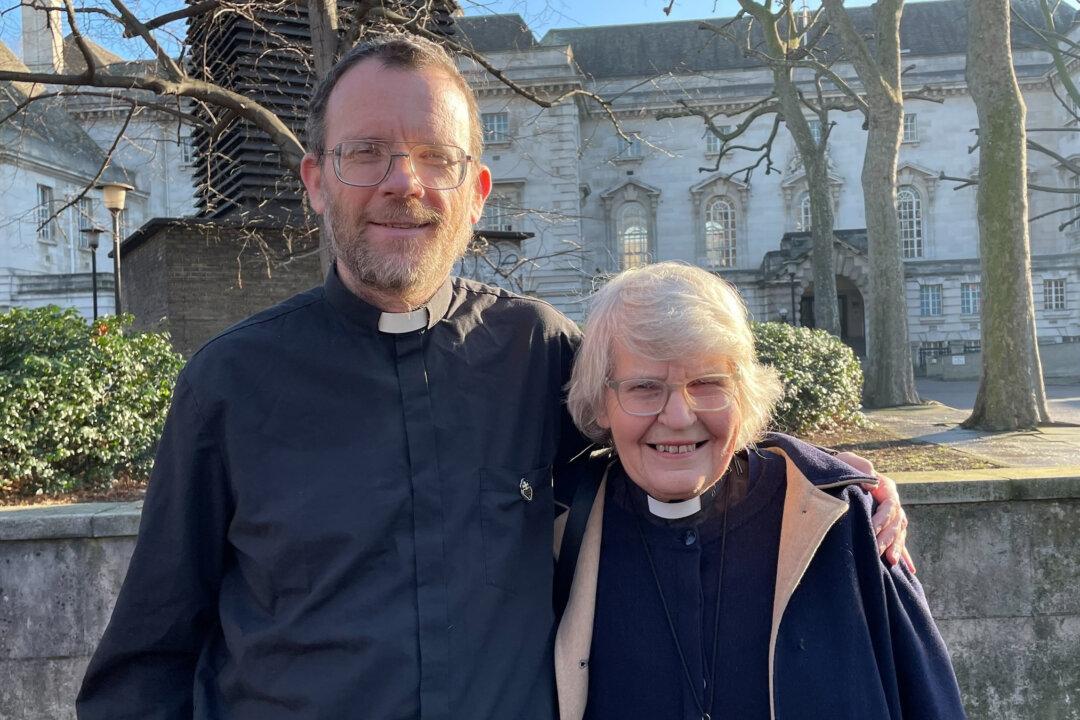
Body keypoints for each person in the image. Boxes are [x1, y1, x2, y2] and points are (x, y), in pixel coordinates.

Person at [77, 36, 911, 720]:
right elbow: (145, 664)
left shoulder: (537, 348)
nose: (403, 182)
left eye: (434, 157)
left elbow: (670, 416)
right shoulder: (230, 383)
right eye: (366, 153)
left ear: (475, 192)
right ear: (317, 181)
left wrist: (836, 481)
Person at [557, 262, 966, 720]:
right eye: (644, 388)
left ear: (743, 394)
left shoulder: (844, 518)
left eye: (707, 384)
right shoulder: (561, 534)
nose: (678, 416)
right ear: (602, 402)